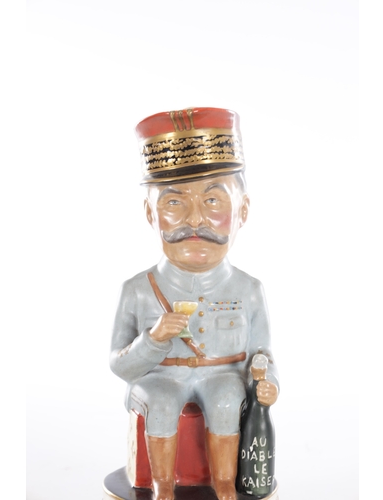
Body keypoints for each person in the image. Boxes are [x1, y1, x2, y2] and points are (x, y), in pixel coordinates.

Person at [110, 107, 279, 500]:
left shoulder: (249, 289)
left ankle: (224, 484)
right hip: (159, 379)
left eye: (213, 200)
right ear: (150, 213)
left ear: (243, 210)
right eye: (173, 203)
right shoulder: (138, 289)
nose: (195, 220)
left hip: (222, 376)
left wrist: (268, 381)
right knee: (161, 400)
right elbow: (120, 365)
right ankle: (161, 486)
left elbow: (263, 353)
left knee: (226, 398)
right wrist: (152, 340)